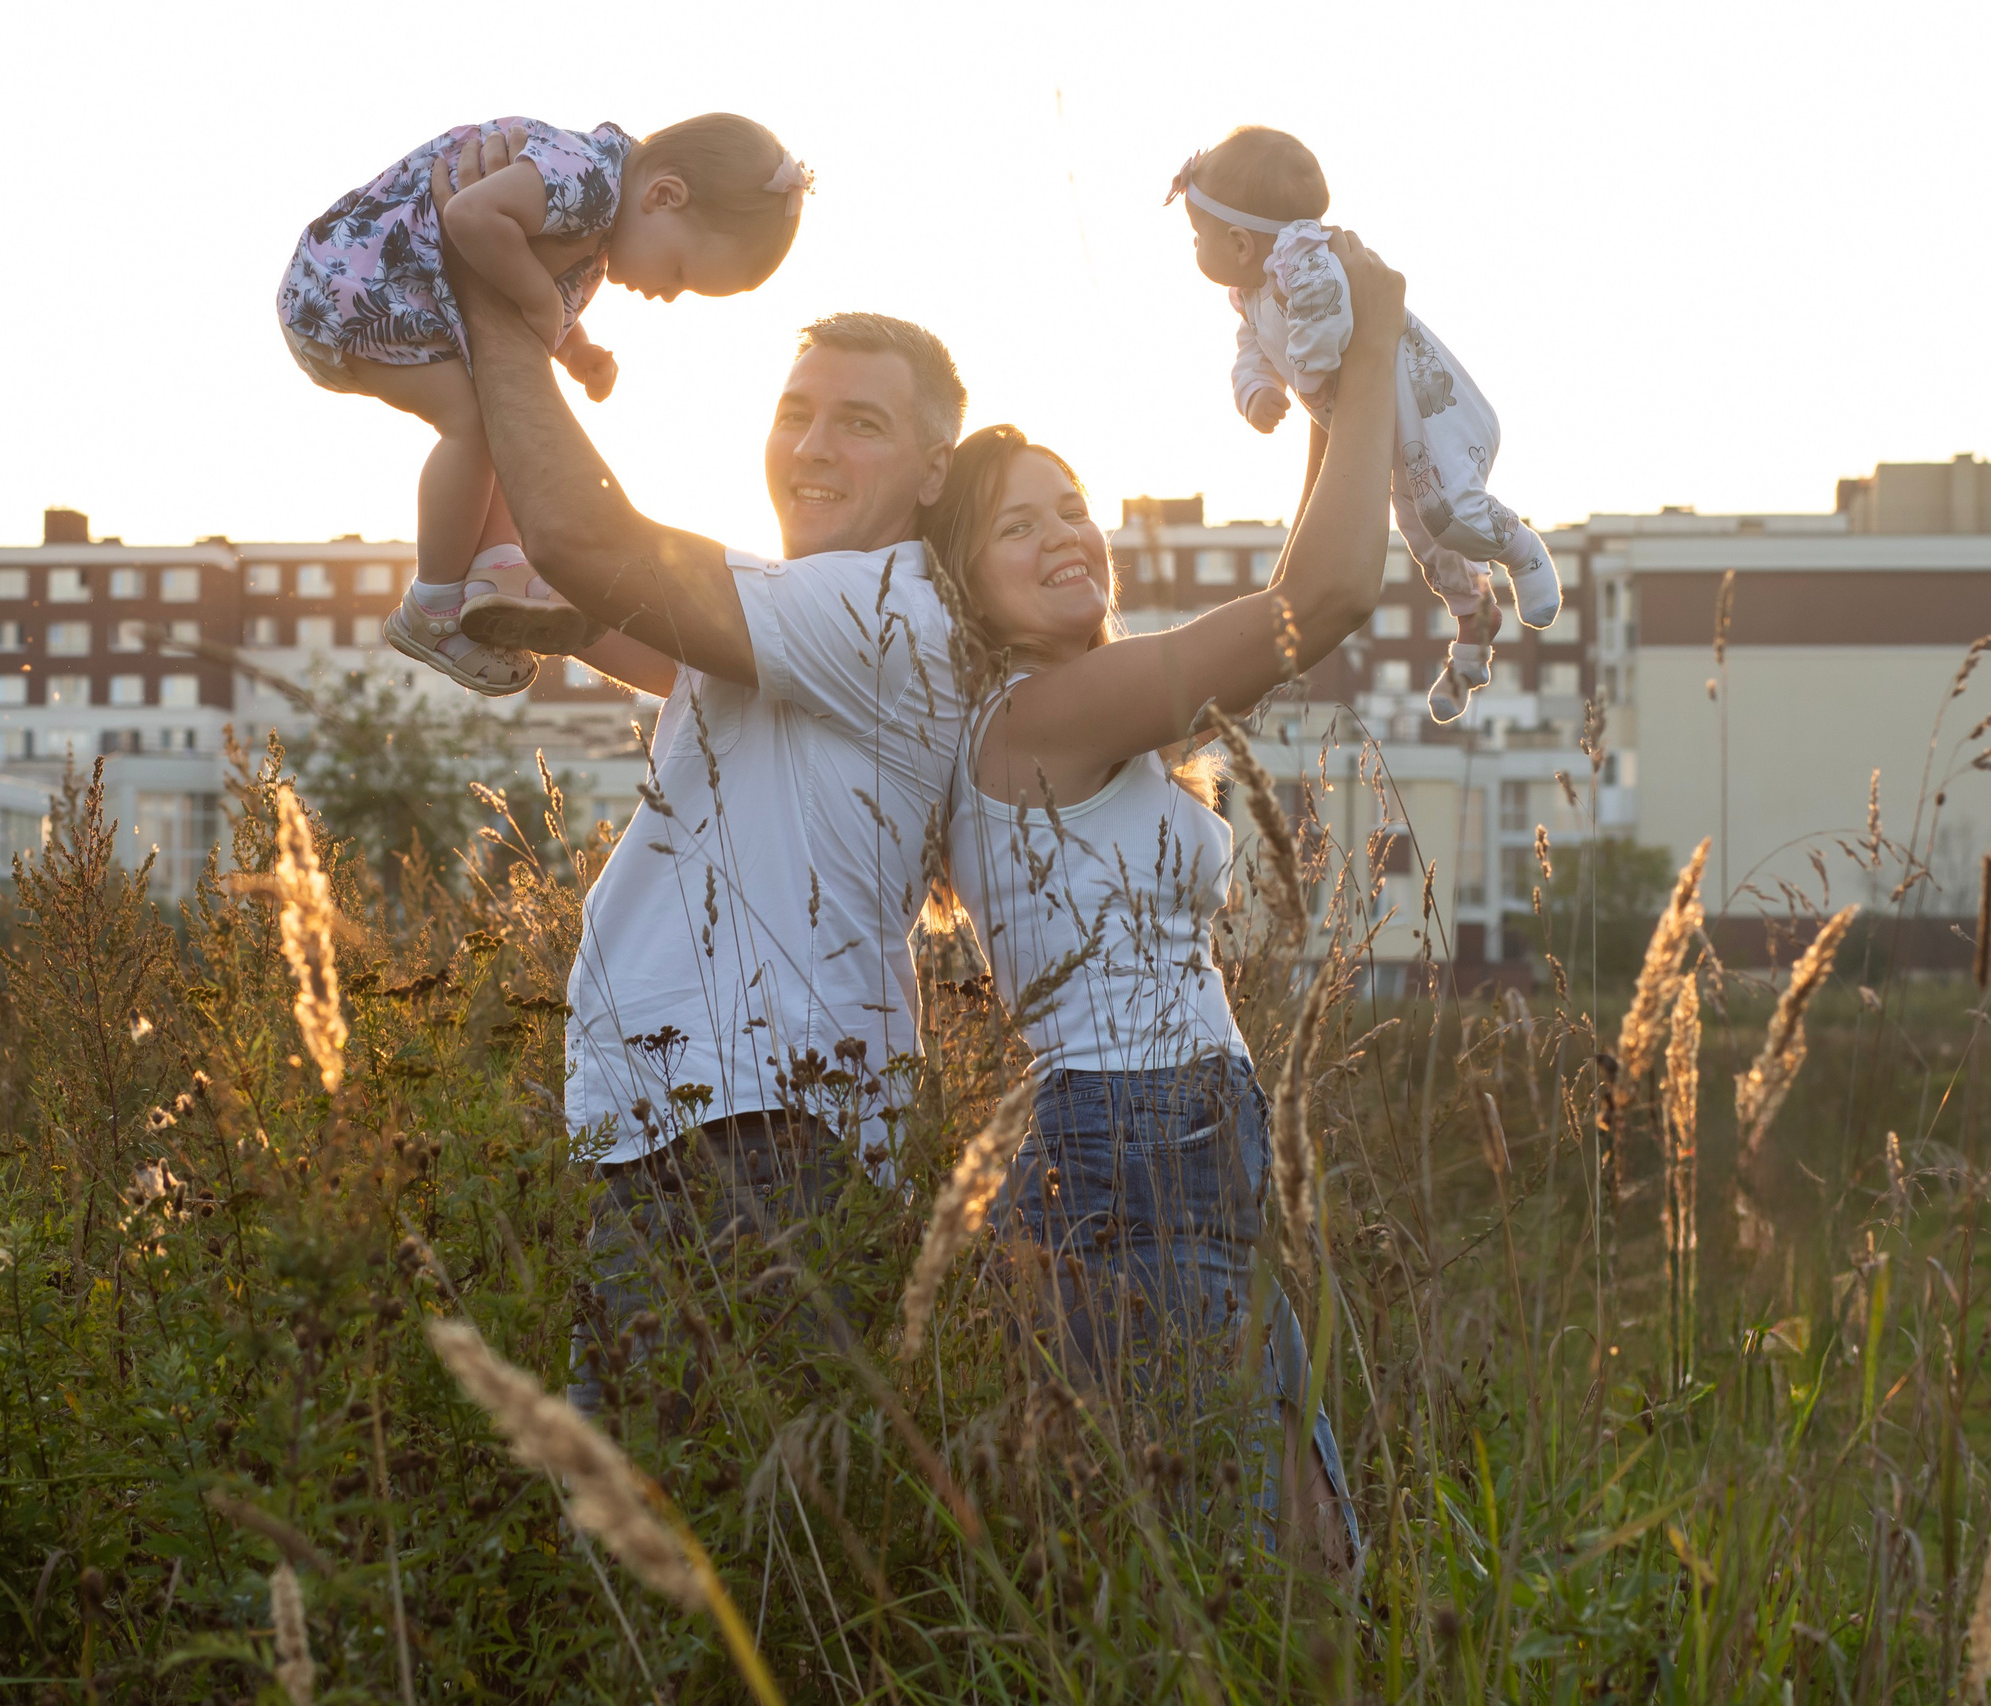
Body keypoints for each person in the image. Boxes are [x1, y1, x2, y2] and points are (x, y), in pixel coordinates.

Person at [428, 136, 966, 1408]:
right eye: (795, 412)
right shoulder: (789, 619)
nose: (813, 446)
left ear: (934, 472)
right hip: (689, 1121)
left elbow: (588, 541)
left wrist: (500, 297)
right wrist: (485, 567)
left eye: (863, 424)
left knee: (699, 1528)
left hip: (772, 1137)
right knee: (668, 1531)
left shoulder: (891, 607)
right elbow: (579, 586)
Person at [923, 227, 1407, 1573]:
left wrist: (1315, 378)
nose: (1064, 532)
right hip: (1129, 1145)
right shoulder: (1044, 711)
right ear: (964, 582)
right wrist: (1369, 345)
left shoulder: (1083, 717)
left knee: (1302, 1558)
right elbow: (1323, 597)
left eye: (1070, 502)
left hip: (1168, 1149)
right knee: (1252, 1569)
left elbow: (1293, 586)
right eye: (1016, 525)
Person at [278, 113, 811, 696]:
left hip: (387, 292)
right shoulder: (586, 177)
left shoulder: (598, 207)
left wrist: (575, 351)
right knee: (477, 425)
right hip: (344, 289)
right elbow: (470, 217)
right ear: (664, 196)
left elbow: (523, 270)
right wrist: (540, 302)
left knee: (512, 422)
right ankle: (429, 609)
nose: (666, 294)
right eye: (680, 272)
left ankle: (497, 569)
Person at [1173, 125, 1560, 723]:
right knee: (1426, 533)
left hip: (1435, 412)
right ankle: (1472, 635)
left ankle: (1525, 552)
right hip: (1389, 435)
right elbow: (1251, 350)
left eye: (1198, 239)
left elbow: (1324, 325)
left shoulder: (1308, 265)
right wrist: (1256, 392)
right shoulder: (1250, 294)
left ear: (1240, 243)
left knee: (1451, 512)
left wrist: (1308, 378)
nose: (1194, 252)